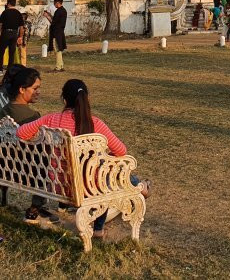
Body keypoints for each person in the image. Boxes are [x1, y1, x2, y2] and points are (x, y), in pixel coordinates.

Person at [17, 79, 149, 238]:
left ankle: (140, 185)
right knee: (108, 172)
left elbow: (21, 133)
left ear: (64, 100)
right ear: (87, 99)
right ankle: (100, 227)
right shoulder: (96, 124)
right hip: (90, 189)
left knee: (104, 171)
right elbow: (121, 151)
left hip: (59, 186)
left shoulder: (50, 120)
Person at [0, 67, 60, 228]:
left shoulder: (2, 111)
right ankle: (36, 207)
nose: (38, 92)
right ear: (22, 89)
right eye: (35, 88)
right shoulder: (31, 117)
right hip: (24, 171)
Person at [0, 0, 24, 75]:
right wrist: (20, 37)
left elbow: (0, 25)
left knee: (1, 51)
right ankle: (9, 70)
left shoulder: (5, 12)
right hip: (14, 34)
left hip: (5, 33)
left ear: (8, 4)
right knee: (12, 52)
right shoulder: (18, 13)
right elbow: (21, 27)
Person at [48, 0, 67, 72]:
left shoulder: (58, 11)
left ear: (58, 3)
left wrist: (47, 17)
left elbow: (54, 23)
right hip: (60, 32)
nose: (54, 4)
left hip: (56, 32)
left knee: (57, 50)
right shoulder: (63, 10)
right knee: (59, 49)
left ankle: (58, 67)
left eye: (54, 3)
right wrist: (49, 15)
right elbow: (56, 20)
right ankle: (61, 65)